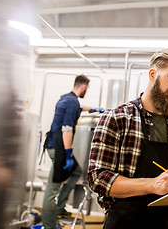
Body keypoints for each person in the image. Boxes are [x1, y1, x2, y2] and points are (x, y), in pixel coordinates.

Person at [87, 49, 168, 229]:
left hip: (166, 223)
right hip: (124, 223)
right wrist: (152, 185)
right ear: (153, 75)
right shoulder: (118, 118)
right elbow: (97, 178)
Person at [42, 74, 104, 229]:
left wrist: (95, 109)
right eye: (87, 89)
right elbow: (67, 130)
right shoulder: (72, 102)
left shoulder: (67, 99)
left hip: (55, 146)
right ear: (83, 87)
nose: (86, 92)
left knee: (76, 171)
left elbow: (80, 108)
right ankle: (49, 225)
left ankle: (60, 208)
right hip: (59, 148)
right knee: (53, 188)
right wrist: (69, 154)